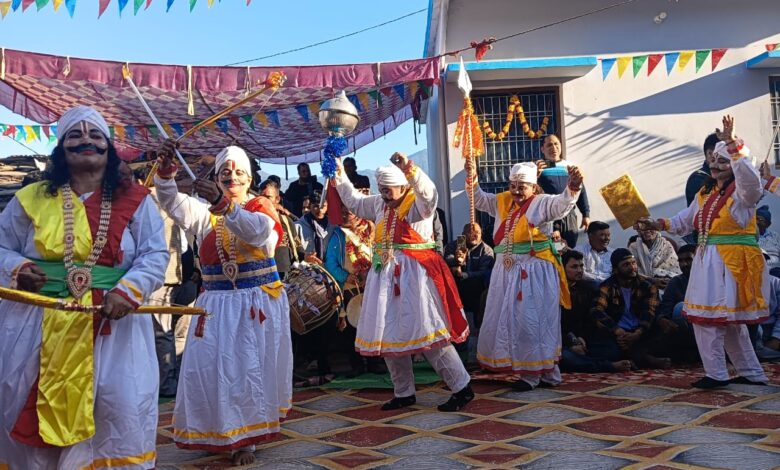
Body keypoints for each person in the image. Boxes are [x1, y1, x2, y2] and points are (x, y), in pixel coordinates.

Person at [0, 106, 169, 469]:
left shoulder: (136, 199)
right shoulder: (30, 198)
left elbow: (155, 253)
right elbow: (1, 246)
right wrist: (18, 269)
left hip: (114, 324)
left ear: (108, 147)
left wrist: (129, 291)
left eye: (95, 134)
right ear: (61, 149)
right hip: (37, 322)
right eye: (74, 135)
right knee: (22, 399)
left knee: (117, 404)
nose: (86, 141)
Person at [154, 140, 292, 465]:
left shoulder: (261, 206)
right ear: (216, 178)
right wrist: (165, 173)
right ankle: (217, 431)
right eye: (225, 173)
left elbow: (258, 235)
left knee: (246, 371)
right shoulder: (205, 212)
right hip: (215, 304)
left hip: (253, 305)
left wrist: (222, 204)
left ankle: (246, 439)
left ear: (249, 178)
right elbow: (172, 202)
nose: (232, 177)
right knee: (209, 370)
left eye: (239, 172)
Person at [333, 152, 474, 412]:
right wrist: (338, 173)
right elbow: (353, 201)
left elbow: (429, 193)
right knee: (388, 335)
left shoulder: (419, 204)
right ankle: (404, 392)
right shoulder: (379, 204)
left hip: (416, 278)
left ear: (403, 185)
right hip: (384, 278)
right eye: (382, 190)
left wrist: (409, 168)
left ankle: (462, 387)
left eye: (388, 190)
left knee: (430, 335)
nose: (384, 195)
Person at [637, 115, 769, 389]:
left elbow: (751, 180)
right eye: (713, 160)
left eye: (723, 161)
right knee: (726, 322)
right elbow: (684, 221)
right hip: (708, 260)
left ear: (734, 164)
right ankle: (751, 372)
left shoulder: (743, 192)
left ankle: (717, 374)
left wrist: (733, 143)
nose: (716, 165)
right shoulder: (705, 193)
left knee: (709, 319)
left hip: (731, 263)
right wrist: (657, 224)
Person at [471, 160, 585, 391]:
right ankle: (546, 373)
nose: (516, 191)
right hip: (506, 270)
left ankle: (533, 375)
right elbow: (480, 200)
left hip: (533, 271)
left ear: (533, 187)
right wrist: (472, 177)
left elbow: (562, 205)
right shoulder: (503, 201)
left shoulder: (541, 202)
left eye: (522, 187)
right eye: (513, 185)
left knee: (531, 321)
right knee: (513, 321)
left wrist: (573, 186)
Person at [324, 204, 386, 376]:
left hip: (371, 285)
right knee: (351, 328)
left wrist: (373, 272)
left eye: (349, 212)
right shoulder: (338, 235)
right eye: (342, 212)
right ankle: (356, 365)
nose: (345, 216)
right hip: (349, 288)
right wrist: (345, 277)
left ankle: (375, 362)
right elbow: (330, 262)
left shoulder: (371, 230)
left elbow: (381, 253)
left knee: (374, 325)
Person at [590, 249, 671, 369]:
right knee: (609, 351)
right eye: (626, 265)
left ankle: (635, 357)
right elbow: (597, 310)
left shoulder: (647, 286)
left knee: (665, 338)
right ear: (615, 269)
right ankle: (645, 359)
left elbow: (649, 312)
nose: (632, 267)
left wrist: (637, 333)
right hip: (617, 333)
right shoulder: (606, 286)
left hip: (641, 331)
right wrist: (617, 331)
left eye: (633, 263)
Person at [559, 250, 633, 373]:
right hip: (563, 341)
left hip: (585, 339)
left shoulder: (588, 288)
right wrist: (572, 342)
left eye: (581, 266)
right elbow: (557, 325)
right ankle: (607, 366)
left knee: (612, 350)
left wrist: (582, 338)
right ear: (562, 268)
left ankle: (589, 361)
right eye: (574, 267)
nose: (579, 270)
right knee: (565, 357)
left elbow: (590, 319)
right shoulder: (555, 290)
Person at [536, 135, 591, 247]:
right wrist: (535, 175)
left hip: (568, 216)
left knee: (569, 249)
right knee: (552, 250)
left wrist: (586, 214)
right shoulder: (538, 168)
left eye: (556, 144)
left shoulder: (569, 167)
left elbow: (581, 191)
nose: (553, 147)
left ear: (560, 146)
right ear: (542, 149)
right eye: (549, 145)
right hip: (549, 216)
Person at [443, 223, 495, 327]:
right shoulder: (457, 244)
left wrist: (466, 274)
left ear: (481, 234)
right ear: (463, 234)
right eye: (469, 232)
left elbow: (484, 271)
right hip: (456, 286)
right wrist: (456, 261)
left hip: (476, 288)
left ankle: (477, 326)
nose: (473, 235)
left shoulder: (486, 250)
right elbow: (447, 258)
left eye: (477, 233)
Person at [654, 244, 699, 363]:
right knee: (680, 309)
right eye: (681, 261)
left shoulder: (711, 279)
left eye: (688, 259)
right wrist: (662, 319)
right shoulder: (676, 282)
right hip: (689, 329)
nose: (684, 264)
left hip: (712, 324)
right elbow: (666, 306)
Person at [260, 179, 304, 280]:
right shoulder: (253, 220)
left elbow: (297, 245)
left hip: (284, 273)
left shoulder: (286, 220)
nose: (263, 201)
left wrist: (305, 258)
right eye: (261, 197)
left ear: (277, 199)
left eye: (268, 197)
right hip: (262, 273)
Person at [295, 190, 336, 264]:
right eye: (316, 206)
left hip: (329, 268)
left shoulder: (333, 226)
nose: (320, 210)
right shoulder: (298, 227)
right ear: (310, 206)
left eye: (323, 206)